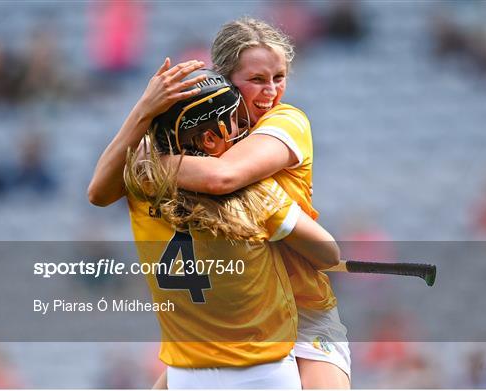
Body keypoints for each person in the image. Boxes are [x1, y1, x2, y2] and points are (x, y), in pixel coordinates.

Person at [88, 17, 351, 389]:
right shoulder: (196, 138)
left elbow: (222, 177)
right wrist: (144, 110)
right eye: (257, 80)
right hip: (228, 322)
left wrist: (147, 161)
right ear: (226, 79)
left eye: (279, 77)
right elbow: (99, 193)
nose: (271, 91)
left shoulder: (286, 121)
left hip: (303, 311)